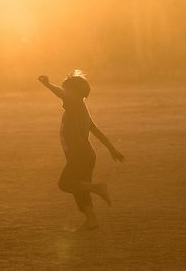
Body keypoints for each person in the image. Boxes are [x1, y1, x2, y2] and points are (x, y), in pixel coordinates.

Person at [38, 70, 125, 230]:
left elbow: (62, 95)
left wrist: (48, 84)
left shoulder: (74, 104)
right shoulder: (80, 108)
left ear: (74, 93)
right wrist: (112, 148)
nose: (64, 93)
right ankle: (92, 221)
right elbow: (96, 131)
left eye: (66, 90)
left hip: (80, 154)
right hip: (86, 154)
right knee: (80, 188)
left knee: (65, 183)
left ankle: (98, 188)